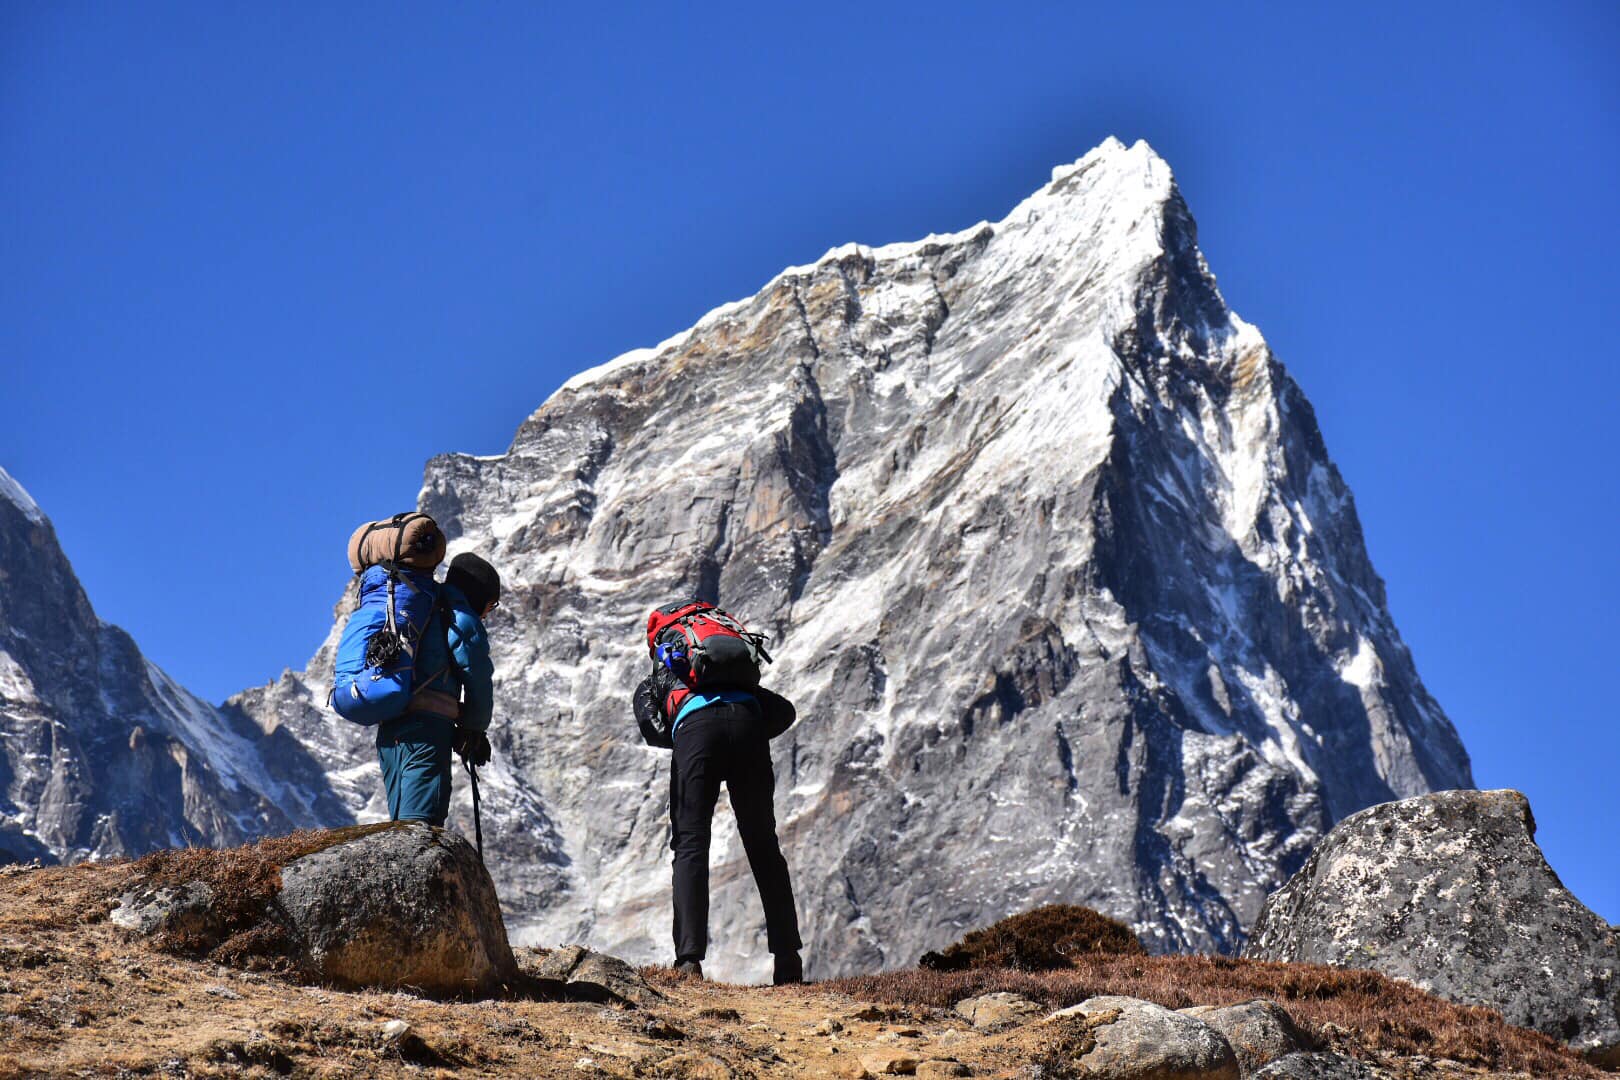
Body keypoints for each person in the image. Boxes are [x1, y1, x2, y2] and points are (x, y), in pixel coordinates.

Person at [633, 605, 804, 984]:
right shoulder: (741, 680)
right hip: (748, 724)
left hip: (696, 734)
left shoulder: (658, 679)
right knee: (763, 844)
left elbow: (652, 730)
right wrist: (748, 729)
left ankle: (689, 962)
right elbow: (784, 712)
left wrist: (688, 730)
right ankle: (788, 959)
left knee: (691, 843)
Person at [375, 552, 499, 826]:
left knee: (400, 822)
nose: (487, 613)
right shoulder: (460, 617)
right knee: (420, 825)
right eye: (491, 605)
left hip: (390, 728)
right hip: (427, 733)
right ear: (479, 595)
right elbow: (477, 677)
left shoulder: (421, 605)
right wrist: (474, 730)